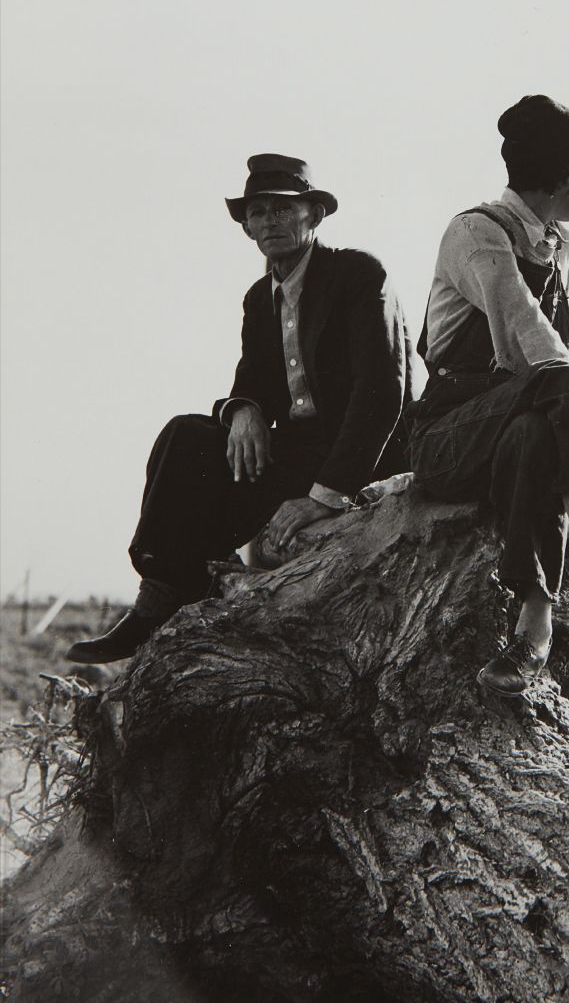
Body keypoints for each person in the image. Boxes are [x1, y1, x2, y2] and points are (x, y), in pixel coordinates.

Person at [68, 154, 412, 664]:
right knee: (186, 436)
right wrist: (242, 408)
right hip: (298, 452)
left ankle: (181, 590)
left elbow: (383, 394)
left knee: (203, 456)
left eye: (281, 209)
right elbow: (251, 378)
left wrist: (326, 495)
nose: (268, 221)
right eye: (257, 212)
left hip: (363, 455)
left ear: (314, 216)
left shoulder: (358, 275)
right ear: (246, 226)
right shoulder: (259, 298)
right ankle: (161, 594)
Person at [408, 95, 569, 696]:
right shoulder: (478, 231)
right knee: (562, 382)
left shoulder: (555, 241)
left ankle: (533, 626)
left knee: (536, 431)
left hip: (509, 429)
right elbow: (523, 337)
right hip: (447, 434)